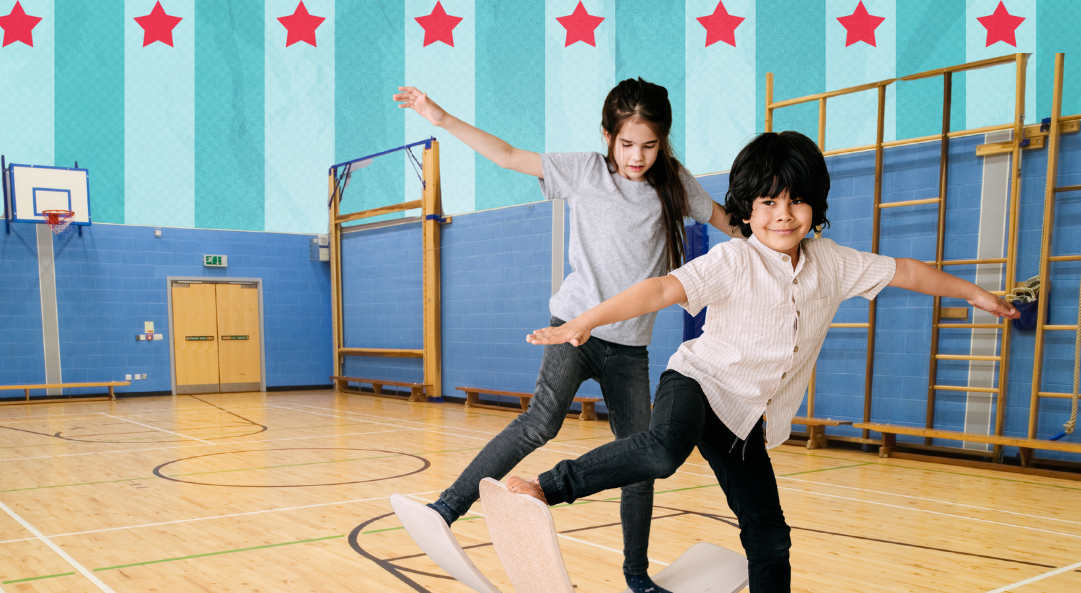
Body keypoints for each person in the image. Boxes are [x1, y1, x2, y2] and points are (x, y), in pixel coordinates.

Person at [508, 131, 1020, 592]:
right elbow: (663, 288)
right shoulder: (734, 259)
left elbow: (907, 272)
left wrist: (976, 295)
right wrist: (587, 321)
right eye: (769, 201)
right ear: (746, 210)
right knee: (664, 452)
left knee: (770, 536)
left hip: (745, 418)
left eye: (797, 201)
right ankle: (544, 488)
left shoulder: (834, 263)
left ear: (814, 207)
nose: (783, 214)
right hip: (696, 382)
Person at [393, 78, 739, 593]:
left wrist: (785, 238)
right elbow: (509, 155)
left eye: (649, 145)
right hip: (572, 330)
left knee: (640, 456)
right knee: (540, 423)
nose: (637, 156)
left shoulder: (675, 184)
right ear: (607, 136)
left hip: (630, 348)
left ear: (663, 141)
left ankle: (637, 576)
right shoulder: (584, 171)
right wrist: (441, 119)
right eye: (626, 144)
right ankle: (448, 506)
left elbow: (727, 221)